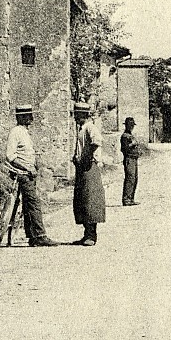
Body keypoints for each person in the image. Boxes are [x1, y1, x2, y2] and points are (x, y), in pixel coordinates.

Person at [5, 105, 56, 247]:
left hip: (30, 173)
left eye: (30, 115)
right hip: (22, 174)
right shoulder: (15, 132)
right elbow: (10, 156)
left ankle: (32, 236)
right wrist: (27, 168)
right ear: (20, 117)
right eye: (27, 116)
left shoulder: (25, 132)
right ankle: (40, 235)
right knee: (34, 203)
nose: (31, 118)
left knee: (28, 206)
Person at [71, 101, 106, 246]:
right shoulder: (81, 129)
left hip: (90, 167)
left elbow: (96, 142)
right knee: (82, 201)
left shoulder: (90, 127)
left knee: (90, 200)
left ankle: (92, 235)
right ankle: (86, 234)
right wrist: (76, 157)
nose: (75, 117)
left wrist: (84, 157)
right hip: (82, 168)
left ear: (83, 115)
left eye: (77, 114)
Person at [120, 116, 141, 206]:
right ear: (126, 125)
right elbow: (124, 148)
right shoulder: (124, 136)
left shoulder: (130, 135)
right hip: (129, 159)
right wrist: (133, 144)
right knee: (130, 178)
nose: (131, 126)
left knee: (134, 179)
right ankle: (126, 199)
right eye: (130, 125)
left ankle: (131, 198)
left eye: (132, 125)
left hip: (133, 159)